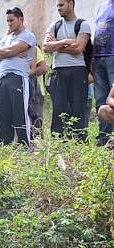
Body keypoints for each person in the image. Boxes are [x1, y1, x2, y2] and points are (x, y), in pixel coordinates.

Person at [44, 0, 92, 138]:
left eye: (61, 5)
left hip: (78, 71)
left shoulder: (83, 25)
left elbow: (78, 48)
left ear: (71, 4)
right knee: (59, 109)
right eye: (57, 5)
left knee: (77, 109)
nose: (58, 8)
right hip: (58, 71)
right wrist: (65, 42)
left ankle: (78, 141)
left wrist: (56, 46)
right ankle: (59, 141)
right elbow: (46, 47)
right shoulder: (55, 25)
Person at [0, 7, 37, 146]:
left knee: (20, 115)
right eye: (7, 21)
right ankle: (6, 148)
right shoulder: (6, 38)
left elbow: (9, 50)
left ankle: (25, 147)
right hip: (2, 79)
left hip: (18, 78)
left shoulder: (28, 36)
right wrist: (9, 52)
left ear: (20, 19)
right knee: (4, 117)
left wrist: (6, 52)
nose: (9, 24)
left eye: (12, 20)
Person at [93, 0, 114, 145]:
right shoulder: (101, 5)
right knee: (101, 100)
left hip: (113, 56)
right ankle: (104, 138)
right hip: (99, 57)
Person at [29, 45, 49, 136]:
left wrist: (26, 74)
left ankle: (37, 147)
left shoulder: (34, 49)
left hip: (36, 92)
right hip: (24, 91)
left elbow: (43, 68)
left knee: (36, 122)